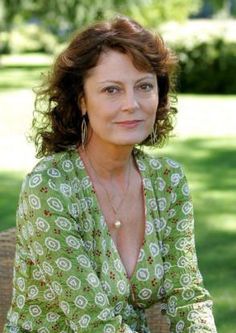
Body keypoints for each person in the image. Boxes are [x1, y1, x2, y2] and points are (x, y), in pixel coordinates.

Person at [4, 15, 217, 333]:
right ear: (82, 101)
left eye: (144, 86)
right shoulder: (49, 188)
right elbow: (94, 323)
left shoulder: (168, 180)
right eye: (112, 90)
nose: (132, 104)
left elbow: (188, 298)